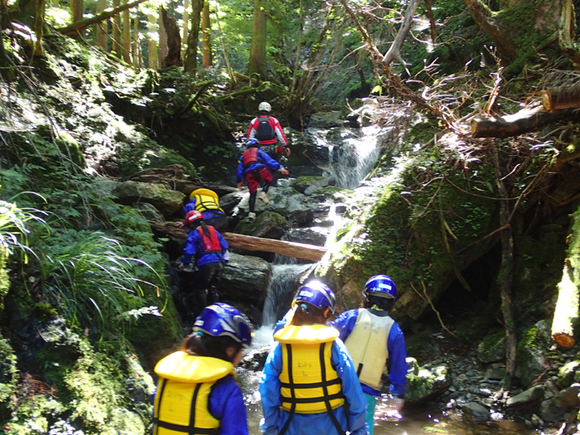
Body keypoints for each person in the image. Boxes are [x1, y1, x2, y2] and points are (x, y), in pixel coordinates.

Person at [259, 280, 369, 435]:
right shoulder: (334, 346)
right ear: (325, 312)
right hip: (332, 426)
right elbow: (353, 392)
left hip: (290, 426)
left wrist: (270, 427)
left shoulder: (281, 348)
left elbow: (267, 390)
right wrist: (359, 429)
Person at [152, 303, 252, 435]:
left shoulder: (166, 379)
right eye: (241, 350)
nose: (240, 358)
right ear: (230, 350)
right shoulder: (227, 388)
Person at [330, 275, 407, 435]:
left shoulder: (352, 317)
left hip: (338, 386)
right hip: (367, 394)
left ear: (367, 296)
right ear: (391, 303)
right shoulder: (394, 330)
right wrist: (398, 394)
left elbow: (328, 339)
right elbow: (398, 366)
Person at [179, 210, 229, 312]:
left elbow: (189, 251)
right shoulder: (213, 230)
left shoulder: (193, 234)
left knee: (201, 289)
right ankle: (217, 313)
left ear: (191, 224)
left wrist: (185, 264)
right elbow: (224, 246)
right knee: (213, 288)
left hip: (206, 264)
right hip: (219, 263)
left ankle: (204, 314)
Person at [236, 138, 289, 220]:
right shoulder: (259, 151)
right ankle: (263, 193)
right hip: (260, 169)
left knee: (252, 194)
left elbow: (239, 169)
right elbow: (269, 161)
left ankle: (251, 213)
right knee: (269, 179)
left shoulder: (243, 156)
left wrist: (239, 180)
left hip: (249, 173)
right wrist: (280, 168)